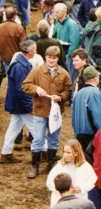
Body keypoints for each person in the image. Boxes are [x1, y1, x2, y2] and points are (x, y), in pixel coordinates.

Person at [22, 45, 72, 179]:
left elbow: (68, 90)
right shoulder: (37, 71)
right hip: (40, 111)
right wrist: (36, 89)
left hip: (55, 113)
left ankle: (50, 163)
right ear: (45, 57)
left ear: (58, 59)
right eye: (49, 57)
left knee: (54, 140)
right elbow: (25, 85)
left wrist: (61, 97)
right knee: (37, 139)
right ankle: (35, 165)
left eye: (54, 58)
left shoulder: (64, 74)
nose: (51, 60)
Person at [1, 40, 37, 164]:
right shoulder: (20, 66)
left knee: (14, 128)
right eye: (35, 49)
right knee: (35, 127)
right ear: (30, 51)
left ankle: (6, 153)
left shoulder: (20, 63)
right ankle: (44, 150)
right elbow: (22, 89)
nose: (36, 52)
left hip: (17, 103)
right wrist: (29, 106)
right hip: (21, 104)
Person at [46, 139, 97, 207]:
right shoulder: (59, 166)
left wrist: (82, 188)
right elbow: (49, 182)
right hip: (60, 201)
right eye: (64, 152)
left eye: (68, 153)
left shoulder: (85, 166)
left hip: (78, 200)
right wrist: (61, 190)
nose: (65, 155)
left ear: (76, 153)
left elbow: (92, 179)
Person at [71, 66, 101, 151]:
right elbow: (97, 115)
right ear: (96, 78)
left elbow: (73, 114)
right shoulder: (94, 92)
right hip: (92, 134)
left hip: (79, 133)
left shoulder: (78, 93)